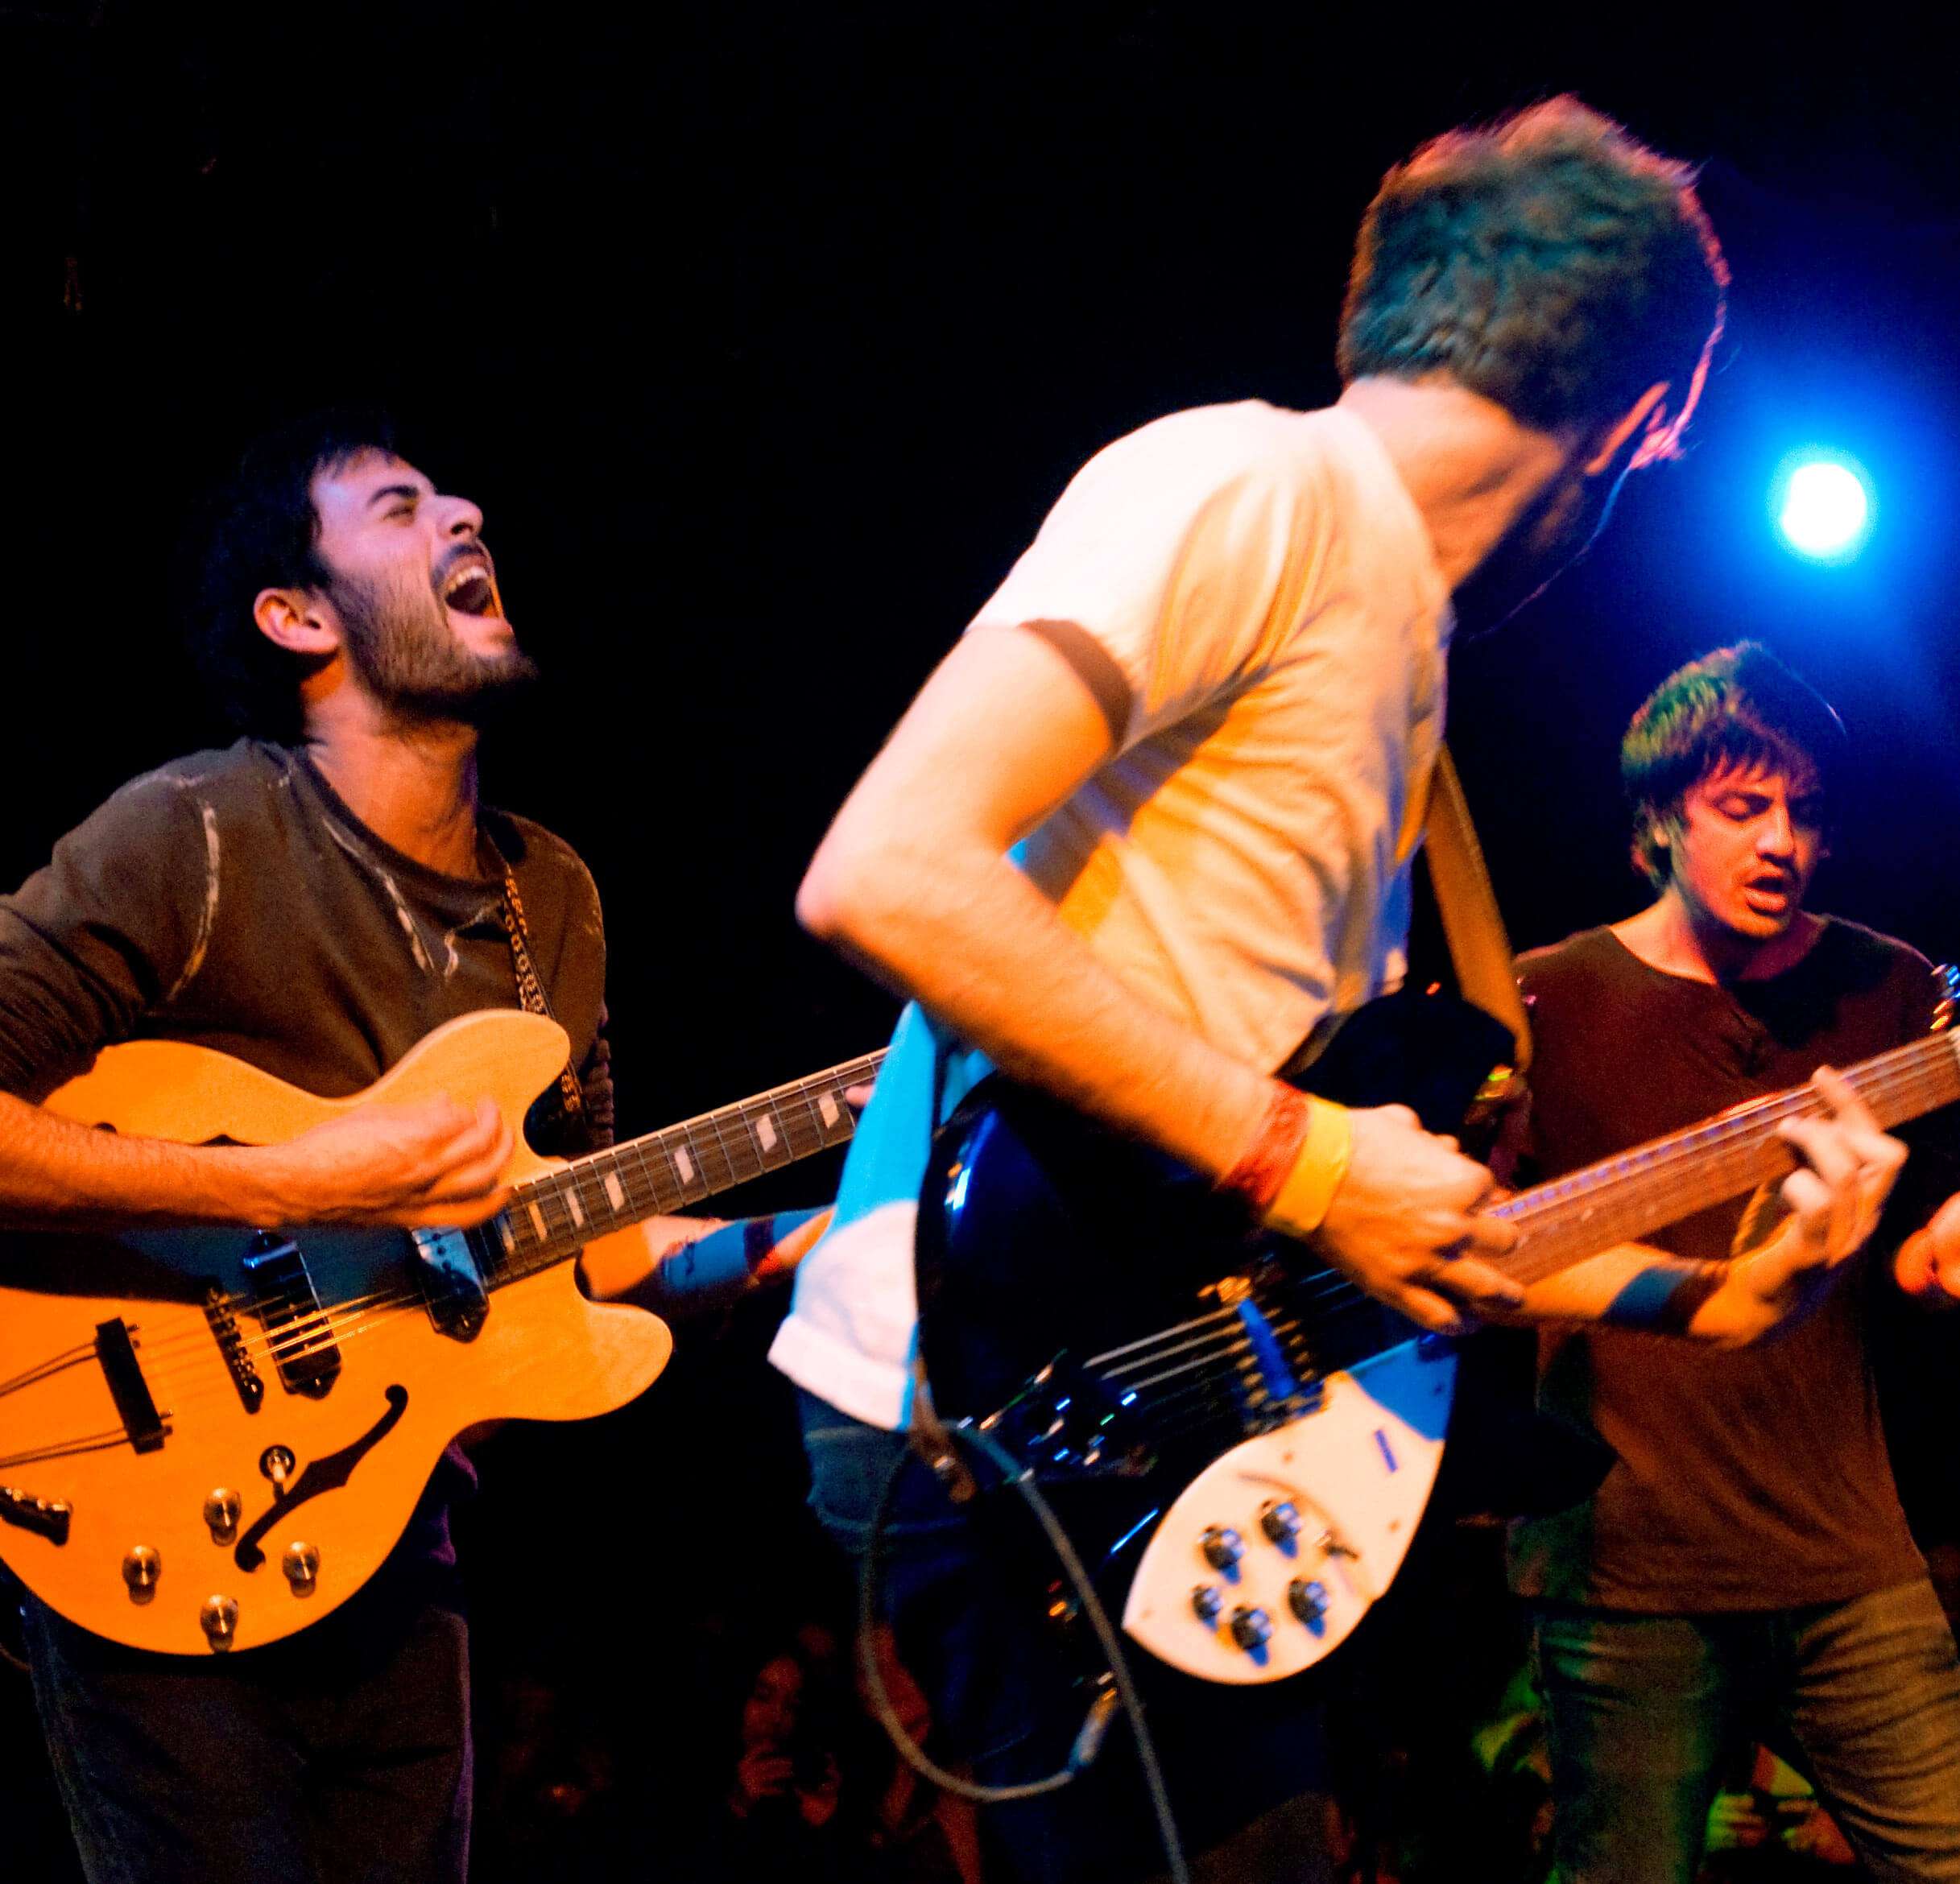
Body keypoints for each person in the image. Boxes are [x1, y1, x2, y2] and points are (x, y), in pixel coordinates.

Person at [770, 100, 1901, 1884]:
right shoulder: (1248, 487)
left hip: (1187, 1399)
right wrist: (1298, 1159)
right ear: (1645, 413)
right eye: (1671, 433)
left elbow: (1358, 1208)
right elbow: (887, 867)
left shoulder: (1393, 651)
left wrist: (1710, 1297)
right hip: (1022, 1415)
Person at [0, 412, 784, 1884]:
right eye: (401, 506)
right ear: (298, 616)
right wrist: (297, 1182)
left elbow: (582, 1241)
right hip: (147, 1507)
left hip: (393, 1543)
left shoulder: (554, 902)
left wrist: (769, 1248)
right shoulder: (202, 832)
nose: (466, 513)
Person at [1504, 642, 1960, 1883]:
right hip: (1628, 1573)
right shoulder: (1542, 1001)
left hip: (1848, 1556)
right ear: (1656, 821)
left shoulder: (1891, 986)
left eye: (1804, 813)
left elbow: (1933, 1220)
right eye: (1740, 807)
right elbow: (1475, 1259)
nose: (1781, 844)